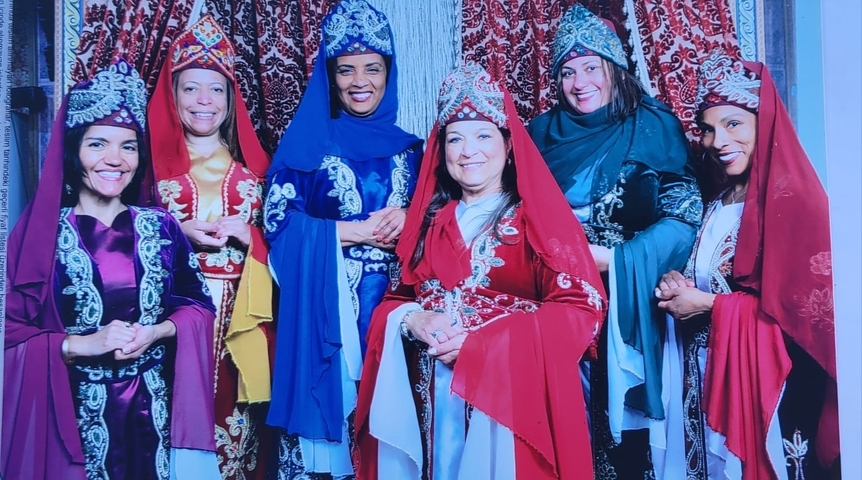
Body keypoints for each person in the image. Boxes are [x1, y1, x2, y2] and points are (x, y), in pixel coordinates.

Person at [354, 61, 606, 479]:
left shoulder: (537, 221)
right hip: (432, 401)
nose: (469, 150)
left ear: (509, 147)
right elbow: (394, 303)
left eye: (483, 135)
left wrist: (488, 344)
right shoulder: (429, 224)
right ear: (441, 151)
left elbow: (583, 311)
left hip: (509, 404)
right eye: (455, 139)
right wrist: (413, 319)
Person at [2, 59, 217, 480]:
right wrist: (81, 345)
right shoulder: (40, 235)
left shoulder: (161, 225)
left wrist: (158, 331)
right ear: (73, 152)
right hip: (67, 412)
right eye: (97, 144)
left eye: (129, 146)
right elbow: (8, 330)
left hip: (154, 407)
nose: (115, 159)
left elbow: (197, 306)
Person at [526, 5, 704, 477]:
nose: (579, 82)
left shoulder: (652, 124)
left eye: (591, 67)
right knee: (559, 429)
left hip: (629, 299)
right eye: (567, 71)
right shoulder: (538, 135)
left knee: (624, 442)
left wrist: (620, 260)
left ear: (614, 70)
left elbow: (683, 213)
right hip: (553, 298)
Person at [654, 50, 840, 479]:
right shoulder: (718, 202)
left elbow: (808, 323)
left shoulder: (798, 203)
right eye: (707, 129)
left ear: (765, 123)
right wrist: (678, 282)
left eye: (733, 124)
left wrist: (709, 305)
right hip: (706, 379)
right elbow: (716, 278)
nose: (717, 141)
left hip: (765, 390)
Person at [263, 0, 422, 478]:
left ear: (388, 73)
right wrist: (350, 232)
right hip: (326, 313)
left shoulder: (415, 151)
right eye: (346, 69)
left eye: (372, 68)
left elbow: (449, 222)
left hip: (399, 313)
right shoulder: (304, 148)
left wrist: (411, 215)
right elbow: (277, 227)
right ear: (329, 76)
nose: (359, 82)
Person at [147, 14, 275, 480]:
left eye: (216, 89)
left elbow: (292, 251)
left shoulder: (258, 172)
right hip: (170, 317)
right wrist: (176, 231)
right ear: (172, 95)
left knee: (236, 440)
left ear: (231, 98)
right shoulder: (145, 169)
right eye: (191, 88)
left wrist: (251, 236)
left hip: (240, 319)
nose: (205, 101)